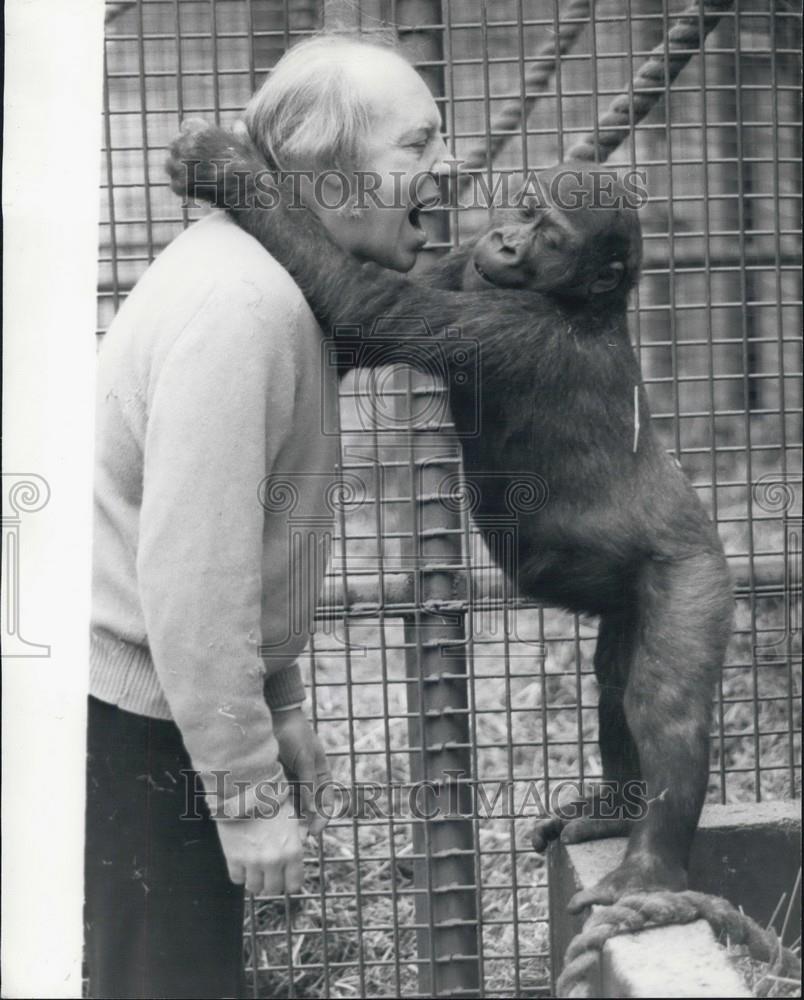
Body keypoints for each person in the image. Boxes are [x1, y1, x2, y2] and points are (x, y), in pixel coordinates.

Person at [85, 32, 449, 999]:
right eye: (418, 144)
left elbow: (249, 538)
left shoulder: (274, 284)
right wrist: (247, 799)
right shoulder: (244, 307)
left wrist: (279, 707)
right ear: (329, 179)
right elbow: (192, 577)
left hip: (166, 704)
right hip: (132, 709)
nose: (447, 167)